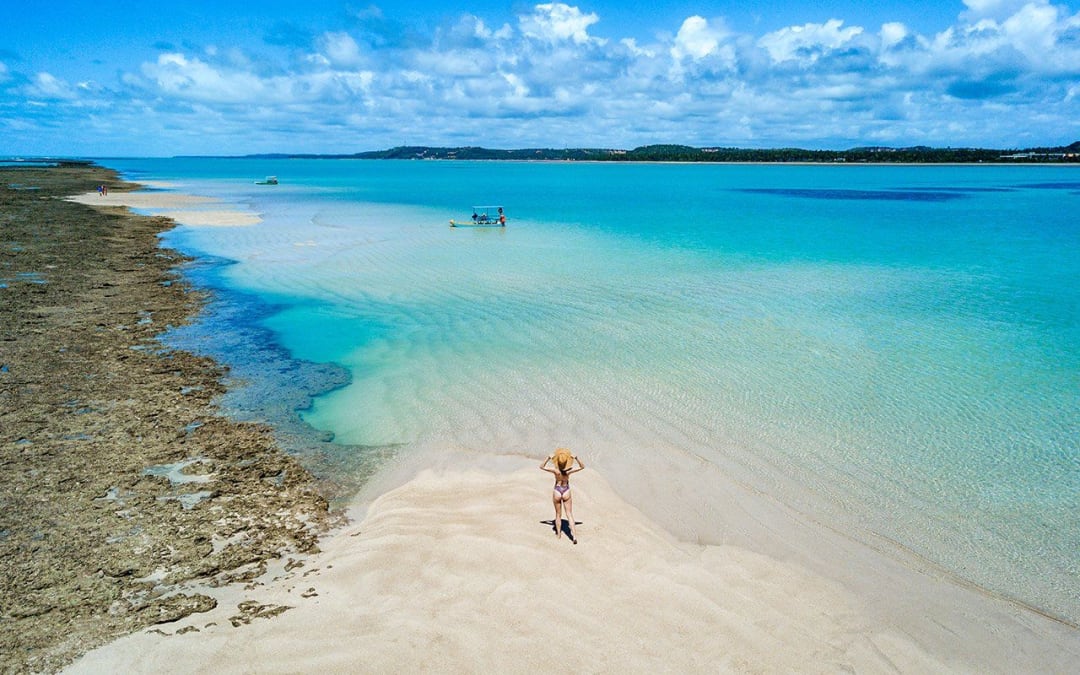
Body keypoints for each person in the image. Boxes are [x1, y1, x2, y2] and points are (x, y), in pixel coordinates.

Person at [540, 448, 584, 543]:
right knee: (569, 514)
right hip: (566, 490)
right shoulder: (569, 471)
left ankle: (559, 534)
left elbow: (541, 467)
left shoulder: (555, 471)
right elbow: (582, 467)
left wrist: (548, 458)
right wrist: (576, 458)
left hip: (557, 490)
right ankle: (574, 537)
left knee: (558, 515)